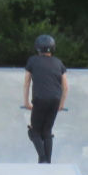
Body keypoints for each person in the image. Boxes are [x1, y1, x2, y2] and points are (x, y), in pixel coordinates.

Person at [23, 33, 68, 163]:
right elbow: (65, 86)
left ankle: (42, 159)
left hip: (39, 99)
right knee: (47, 131)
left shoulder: (32, 60)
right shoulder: (59, 63)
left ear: (37, 48)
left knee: (34, 132)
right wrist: (61, 103)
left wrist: (26, 102)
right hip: (55, 99)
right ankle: (48, 162)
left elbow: (26, 82)